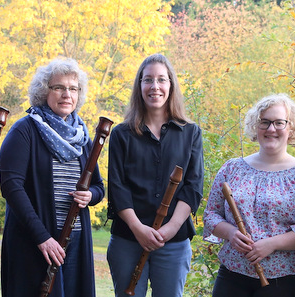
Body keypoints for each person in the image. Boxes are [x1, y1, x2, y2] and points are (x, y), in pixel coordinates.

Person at [0, 57, 104, 297]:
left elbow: (98, 186)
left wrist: (91, 195)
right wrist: (42, 237)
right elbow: (11, 187)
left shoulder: (83, 137)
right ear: (44, 91)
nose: (67, 94)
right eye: (59, 87)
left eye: (73, 88)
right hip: (35, 244)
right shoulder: (25, 130)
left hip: (75, 243)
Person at [203, 94, 295, 297]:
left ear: (291, 128)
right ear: (255, 127)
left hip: (285, 277)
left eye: (279, 123)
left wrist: (271, 244)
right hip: (233, 272)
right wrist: (231, 234)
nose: (271, 129)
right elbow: (211, 215)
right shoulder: (232, 169)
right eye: (264, 122)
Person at [106, 53, 204, 297]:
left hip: (173, 241)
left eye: (161, 79)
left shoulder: (191, 133)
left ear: (171, 85)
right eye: (148, 80)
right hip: (128, 239)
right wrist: (138, 228)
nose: (155, 87)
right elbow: (117, 187)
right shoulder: (121, 134)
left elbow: (192, 186)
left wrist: (170, 228)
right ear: (139, 86)